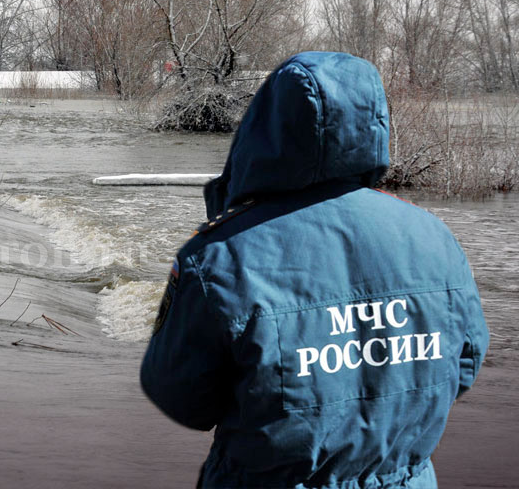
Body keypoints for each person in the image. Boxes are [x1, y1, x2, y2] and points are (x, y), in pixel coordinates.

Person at [141, 51, 488, 489]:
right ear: (373, 123)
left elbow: (181, 398)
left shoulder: (220, 257)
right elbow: (463, 368)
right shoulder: (435, 237)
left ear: (266, 128)